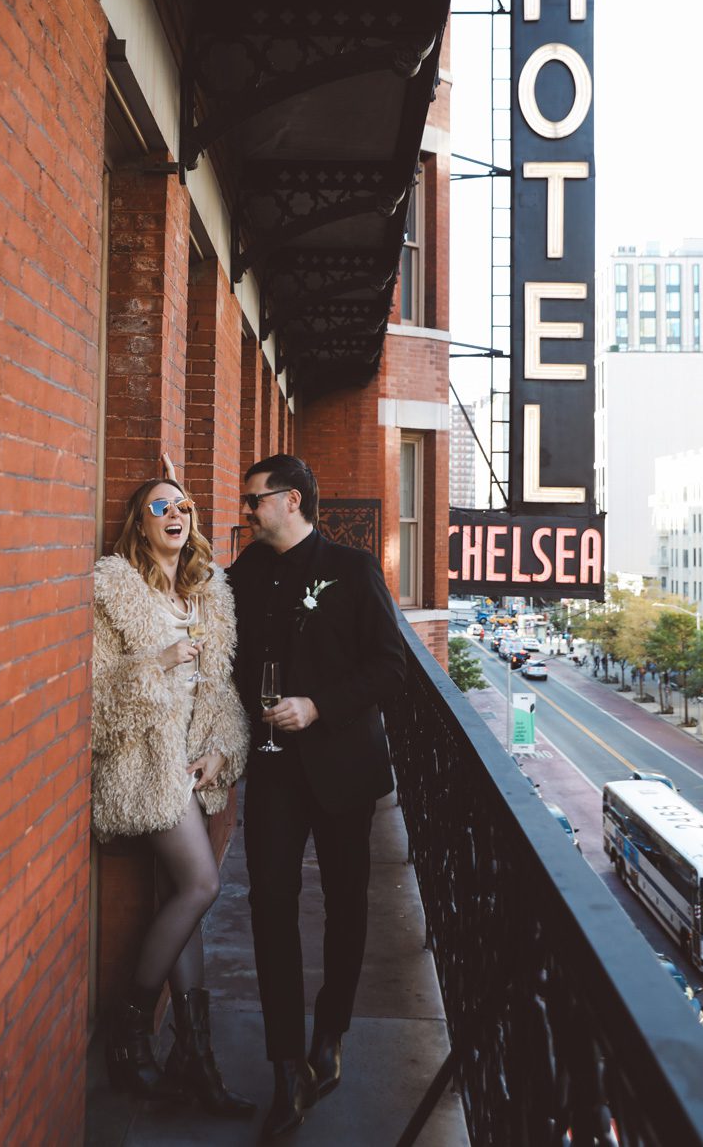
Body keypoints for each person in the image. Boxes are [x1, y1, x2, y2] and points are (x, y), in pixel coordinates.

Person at [228, 454, 405, 1141]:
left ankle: (330, 1031)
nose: (246, 512)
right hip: (272, 770)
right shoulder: (245, 573)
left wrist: (318, 705)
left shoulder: (355, 570)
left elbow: (389, 667)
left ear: (292, 500)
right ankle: (284, 1068)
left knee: (345, 901)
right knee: (269, 903)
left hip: (342, 768)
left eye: (254, 501)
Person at [91, 474, 253, 1116]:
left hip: (186, 764)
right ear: (140, 521)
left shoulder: (208, 593)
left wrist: (218, 750)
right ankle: (129, 1036)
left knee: (183, 900)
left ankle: (195, 1059)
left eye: (184, 504)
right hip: (142, 761)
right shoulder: (115, 590)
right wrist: (158, 661)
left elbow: (219, 691)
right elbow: (98, 699)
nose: (176, 512)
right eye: (160, 505)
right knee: (200, 886)